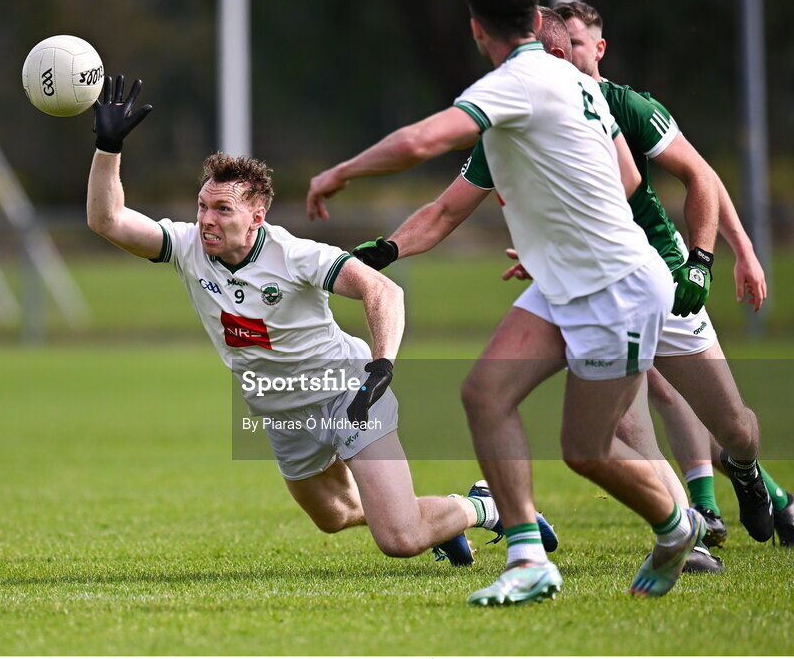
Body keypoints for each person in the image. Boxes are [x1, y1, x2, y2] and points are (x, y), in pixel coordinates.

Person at [306, 0, 702, 604]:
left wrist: (339, 174)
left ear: (476, 29)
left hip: (617, 287)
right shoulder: (570, 84)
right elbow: (623, 177)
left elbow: (418, 141)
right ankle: (527, 557)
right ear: (534, 19)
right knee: (485, 395)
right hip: (568, 278)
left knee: (586, 451)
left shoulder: (516, 82)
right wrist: (554, 234)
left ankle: (677, 525)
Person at [83, 73, 549, 566]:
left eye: (222, 209)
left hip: (346, 391)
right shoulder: (187, 246)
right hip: (279, 410)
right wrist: (108, 145)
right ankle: (439, 522)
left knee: (398, 539)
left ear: (257, 217)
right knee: (336, 515)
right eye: (202, 206)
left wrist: (382, 364)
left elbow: (381, 289)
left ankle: (480, 505)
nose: (206, 220)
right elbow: (107, 220)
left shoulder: (296, 255)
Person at [552, 0, 789, 548]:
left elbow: (700, 176)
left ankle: (756, 486)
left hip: (660, 268)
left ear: (597, 49)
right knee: (635, 408)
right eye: (551, 50)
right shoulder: (543, 114)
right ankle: (695, 524)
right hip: (598, 284)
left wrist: (738, 252)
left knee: (719, 415)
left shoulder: (628, 106)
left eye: (574, 47)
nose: (561, 58)